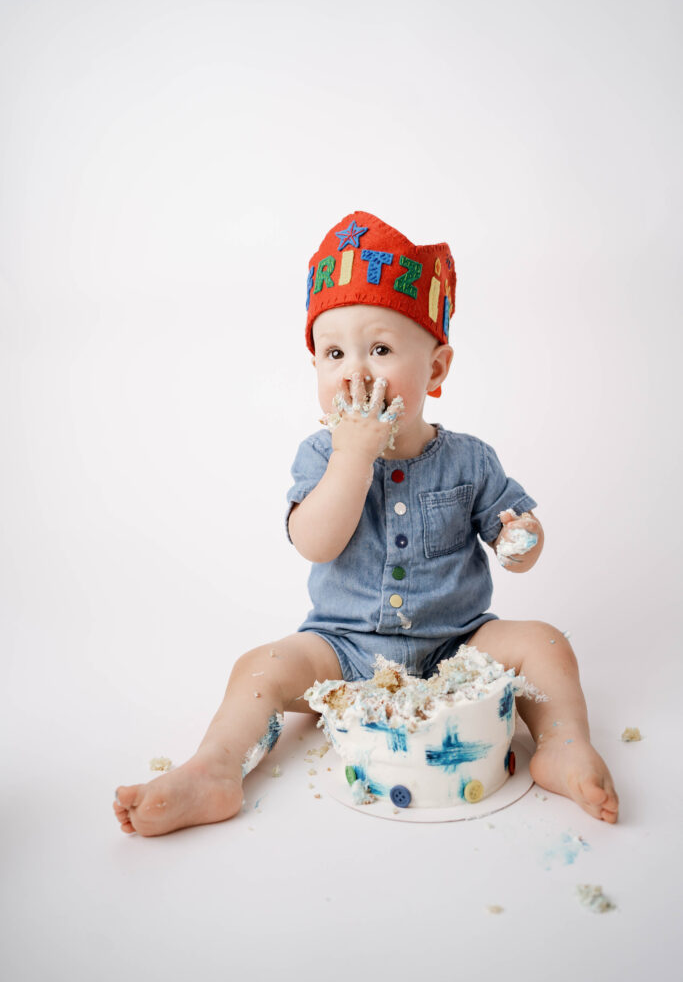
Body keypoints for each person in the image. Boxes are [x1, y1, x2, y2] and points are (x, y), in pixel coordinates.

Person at [113, 211, 618, 836]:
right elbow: (313, 542)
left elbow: (516, 532)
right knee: (259, 667)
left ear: (435, 369)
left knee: (544, 642)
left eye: (379, 349)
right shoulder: (321, 454)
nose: (354, 371)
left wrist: (522, 541)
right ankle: (214, 770)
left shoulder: (469, 458)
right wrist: (353, 455)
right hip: (342, 650)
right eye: (333, 353)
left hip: (458, 646)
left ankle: (562, 745)